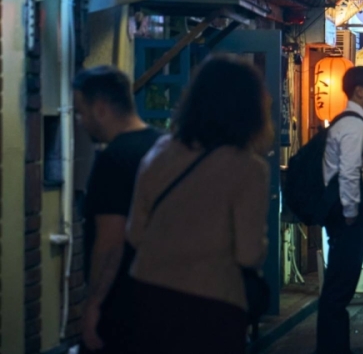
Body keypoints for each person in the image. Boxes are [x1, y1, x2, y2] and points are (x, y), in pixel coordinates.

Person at [128, 57, 271, 354]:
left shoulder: (161, 151)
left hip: (147, 297)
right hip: (211, 304)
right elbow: (249, 253)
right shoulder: (248, 168)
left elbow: (135, 233)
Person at [74, 66, 163, 354]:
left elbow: (110, 242)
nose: (81, 120)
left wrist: (94, 304)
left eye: (81, 111)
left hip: (122, 302)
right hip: (160, 297)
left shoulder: (113, 159)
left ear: (100, 109)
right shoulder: (164, 147)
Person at [314, 66, 363, 353]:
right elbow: (350, 173)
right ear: (360, 91)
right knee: (338, 292)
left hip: (340, 216)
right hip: (348, 217)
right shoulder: (355, 125)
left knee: (336, 290)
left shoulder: (345, 122)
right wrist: (352, 215)